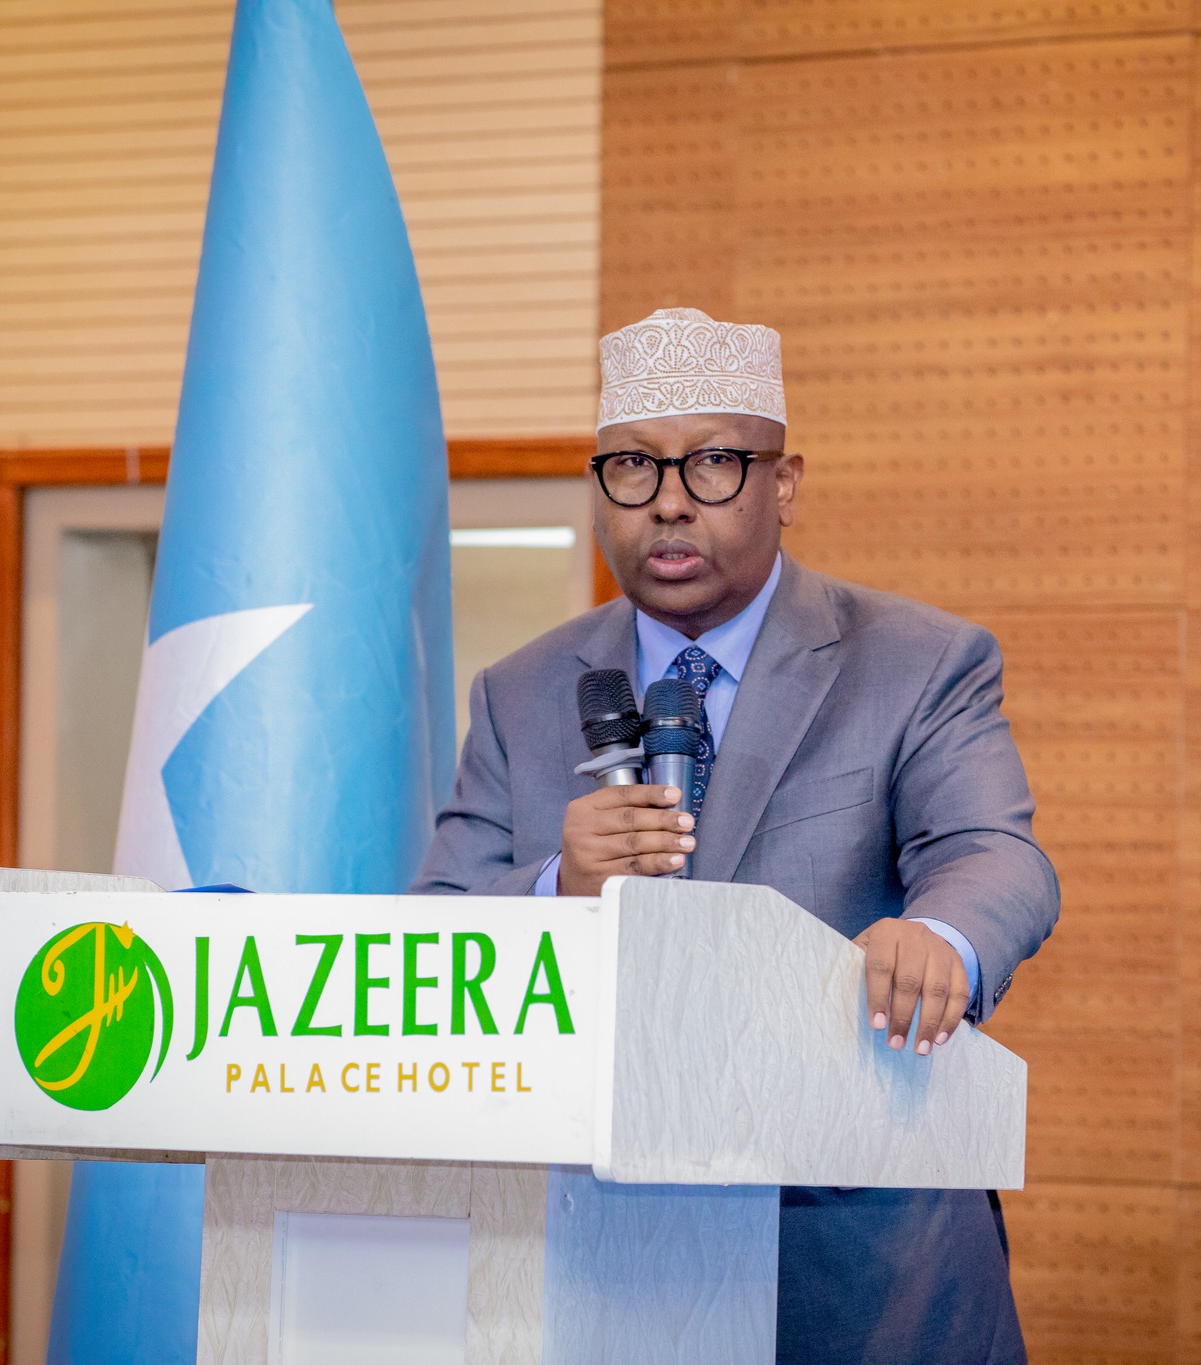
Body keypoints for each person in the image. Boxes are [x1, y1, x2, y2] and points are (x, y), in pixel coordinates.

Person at [412, 307, 1058, 1363]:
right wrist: (553, 888)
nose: (667, 503)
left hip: (853, 1271)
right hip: (584, 1264)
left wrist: (937, 939)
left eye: (712, 463)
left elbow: (995, 854)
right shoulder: (523, 690)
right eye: (630, 466)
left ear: (782, 483)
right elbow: (434, 924)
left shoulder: (914, 661)